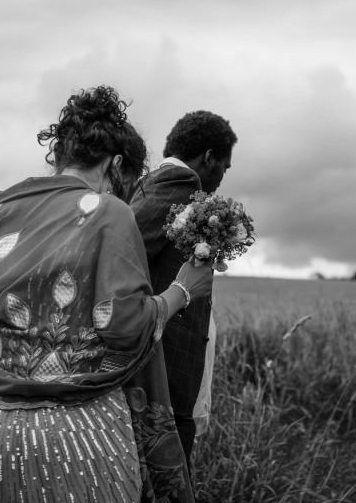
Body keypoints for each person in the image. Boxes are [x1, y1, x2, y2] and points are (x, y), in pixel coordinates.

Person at [0, 86, 213, 503]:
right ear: (116, 164)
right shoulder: (109, 212)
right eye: (125, 182)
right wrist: (183, 290)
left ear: (60, 154)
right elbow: (124, 326)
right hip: (76, 437)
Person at [128, 110, 237, 474]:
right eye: (224, 165)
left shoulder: (158, 186)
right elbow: (121, 255)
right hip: (165, 378)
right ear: (208, 158)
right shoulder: (179, 185)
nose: (222, 176)